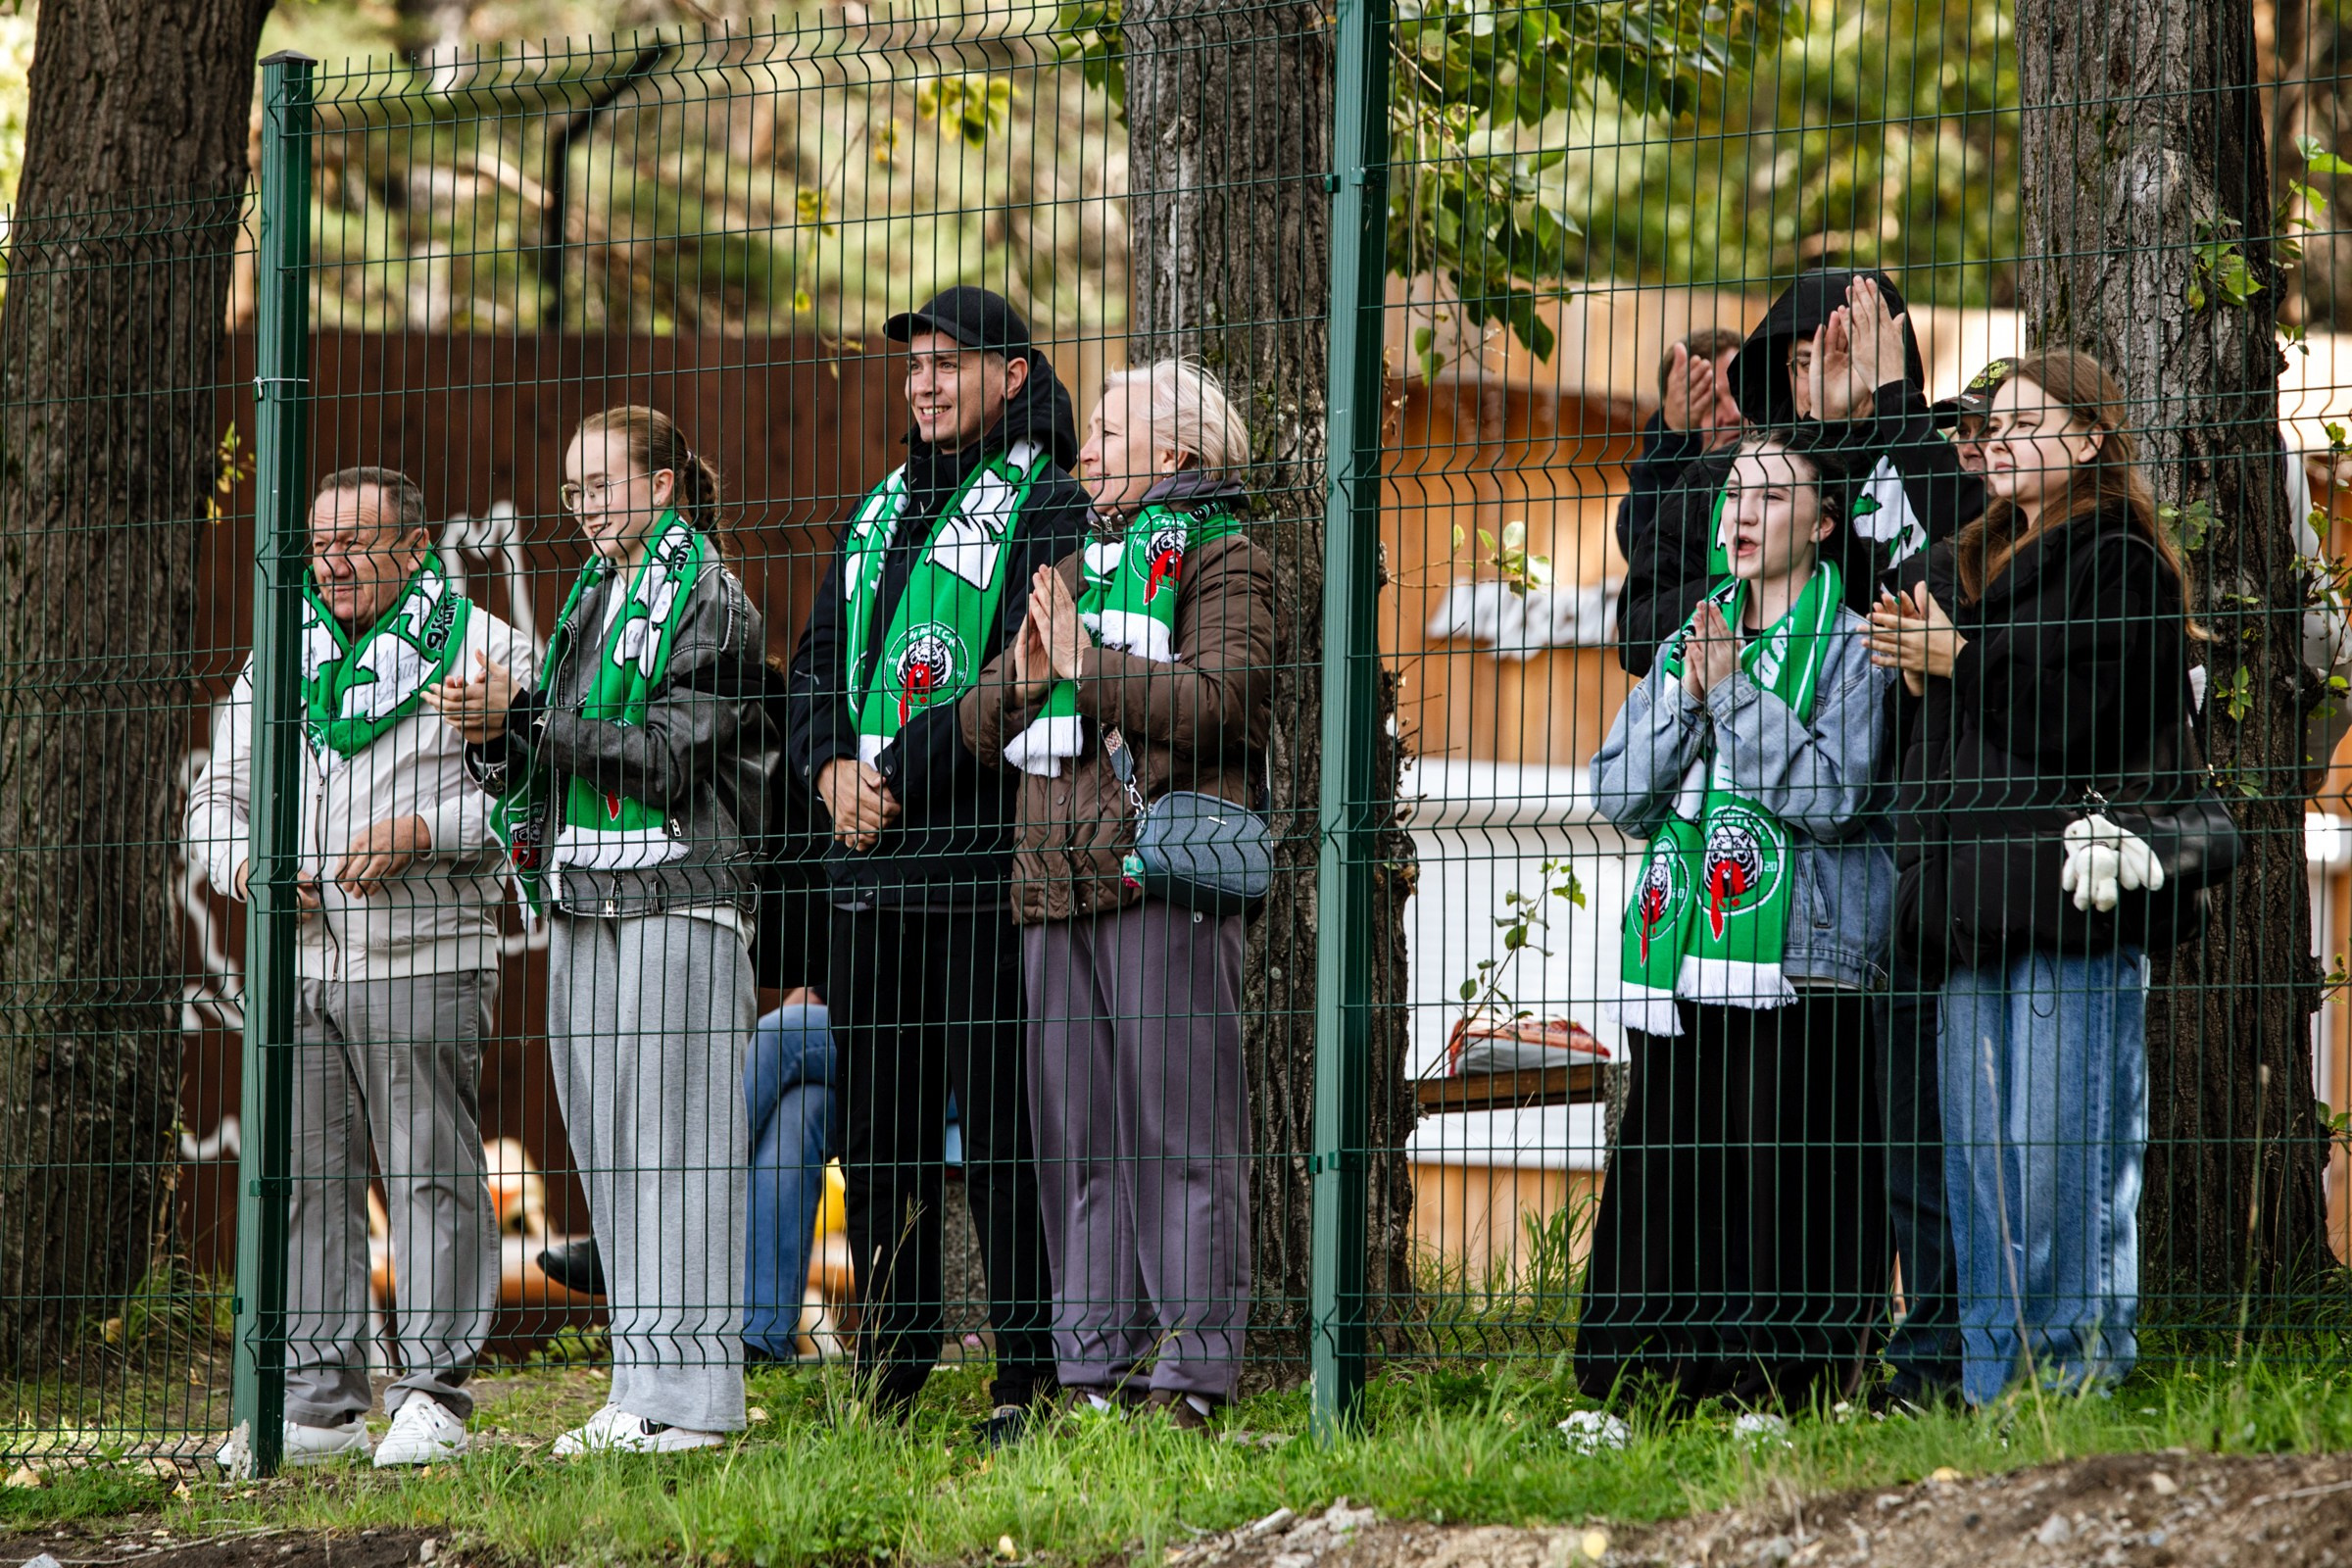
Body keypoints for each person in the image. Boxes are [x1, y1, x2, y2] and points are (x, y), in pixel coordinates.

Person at [426, 405, 775, 1453]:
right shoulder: (592, 598)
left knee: (683, 1150)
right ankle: (641, 1389)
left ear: (663, 485)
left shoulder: (710, 593)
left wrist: (523, 722)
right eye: (571, 490)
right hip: (585, 892)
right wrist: (495, 734)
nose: (580, 507)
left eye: (600, 485)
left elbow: (668, 754)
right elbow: (550, 748)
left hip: (682, 887)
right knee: (614, 1149)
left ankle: (702, 1404)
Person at [1865, 351, 2196, 1405]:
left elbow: (2078, 724)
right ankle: (1992, 1392)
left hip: (2071, 903)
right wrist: (1934, 667)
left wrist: (1958, 661)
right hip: (1967, 912)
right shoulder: (1970, 565)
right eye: (1989, 423)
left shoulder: (2124, 562)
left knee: (2064, 1167)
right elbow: (1938, 756)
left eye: (2023, 420)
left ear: (2093, 440)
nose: (1996, 437)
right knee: (1983, 1180)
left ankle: (2074, 1388)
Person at [188, 466, 536, 1467]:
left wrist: (427, 827)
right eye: (320, 544)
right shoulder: (279, 656)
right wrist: (250, 866)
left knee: (430, 1171)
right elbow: (215, 800)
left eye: (357, 543)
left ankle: (433, 1392)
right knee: (305, 1178)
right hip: (297, 959)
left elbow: (531, 796)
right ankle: (319, 1401)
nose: (332, 563)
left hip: (423, 951)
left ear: (419, 549)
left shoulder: (485, 649)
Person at [785, 286, 1086, 1443]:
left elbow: (1026, 676)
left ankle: (1026, 1375)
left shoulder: (1050, 504)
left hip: (975, 867)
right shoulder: (876, 513)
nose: (922, 381)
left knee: (1003, 1133)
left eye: (948, 361)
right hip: (862, 870)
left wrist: (894, 774)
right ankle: (894, 1366)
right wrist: (828, 778)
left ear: (1013, 374)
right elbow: (813, 663)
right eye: (912, 362)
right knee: (879, 1134)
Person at [959, 360, 1274, 1431]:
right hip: (1053, 890)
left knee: (1181, 1142)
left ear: (1178, 454)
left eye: (1106, 431)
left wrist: (1086, 667)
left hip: (1157, 884)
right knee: (1078, 1147)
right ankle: (1092, 1378)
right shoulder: (1078, 566)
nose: (1082, 449)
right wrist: (1027, 669)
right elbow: (974, 722)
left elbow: (1223, 700)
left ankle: (1188, 1379)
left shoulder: (1227, 559)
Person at [1579, 428, 1894, 1410]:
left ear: (1826, 520)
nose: (1742, 514)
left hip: (1803, 962)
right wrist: (1689, 690)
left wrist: (1737, 696)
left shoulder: (1855, 648)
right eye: (1733, 495)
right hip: (1683, 958)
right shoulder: (1693, 635)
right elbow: (1620, 795)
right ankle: (1642, 1384)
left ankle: (1782, 1388)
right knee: (1671, 1179)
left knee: (1786, 1181)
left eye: (1770, 494)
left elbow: (1833, 798)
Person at [1613, 325, 1747, 676]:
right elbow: (1643, 539)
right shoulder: (1662, 483)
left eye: (1739, 394)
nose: (1732, 413)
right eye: (1710, 401)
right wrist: (1671, 434)